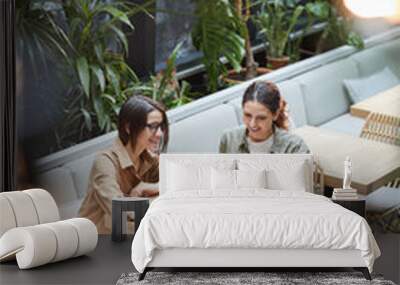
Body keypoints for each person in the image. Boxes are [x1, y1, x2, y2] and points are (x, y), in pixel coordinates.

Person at [79, 95, 169, 234]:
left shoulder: (148, 159)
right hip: (96, 243)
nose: (159, 134)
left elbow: (182, 184)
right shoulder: (105, 162)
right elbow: (120, 211)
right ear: (128, 127)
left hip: (131, 237)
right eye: (152, 126)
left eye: (161, 127)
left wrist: (150, 187)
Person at [219, 81, 309, 154]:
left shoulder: (294, 147)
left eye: (261, 118)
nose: (252, 124)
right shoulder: (229, 138)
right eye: (248, 115)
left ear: (275, 114)